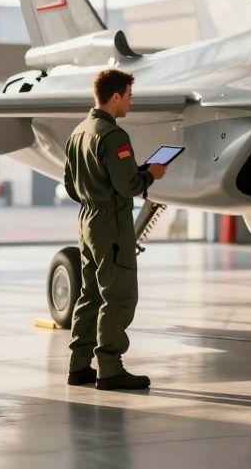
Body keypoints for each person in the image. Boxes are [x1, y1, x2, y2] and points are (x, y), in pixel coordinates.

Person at [62, 69, 166, 390]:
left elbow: (70, 185)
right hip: (112, 224)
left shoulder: (78, 132)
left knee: (90, 294)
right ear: (115, 96)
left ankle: (79, 366)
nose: (131, 102)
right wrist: (151, 175)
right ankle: (109, 368)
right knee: (118, 295)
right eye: (129, 95)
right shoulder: (113, 135)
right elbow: (128, 185)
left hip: (88, 221)